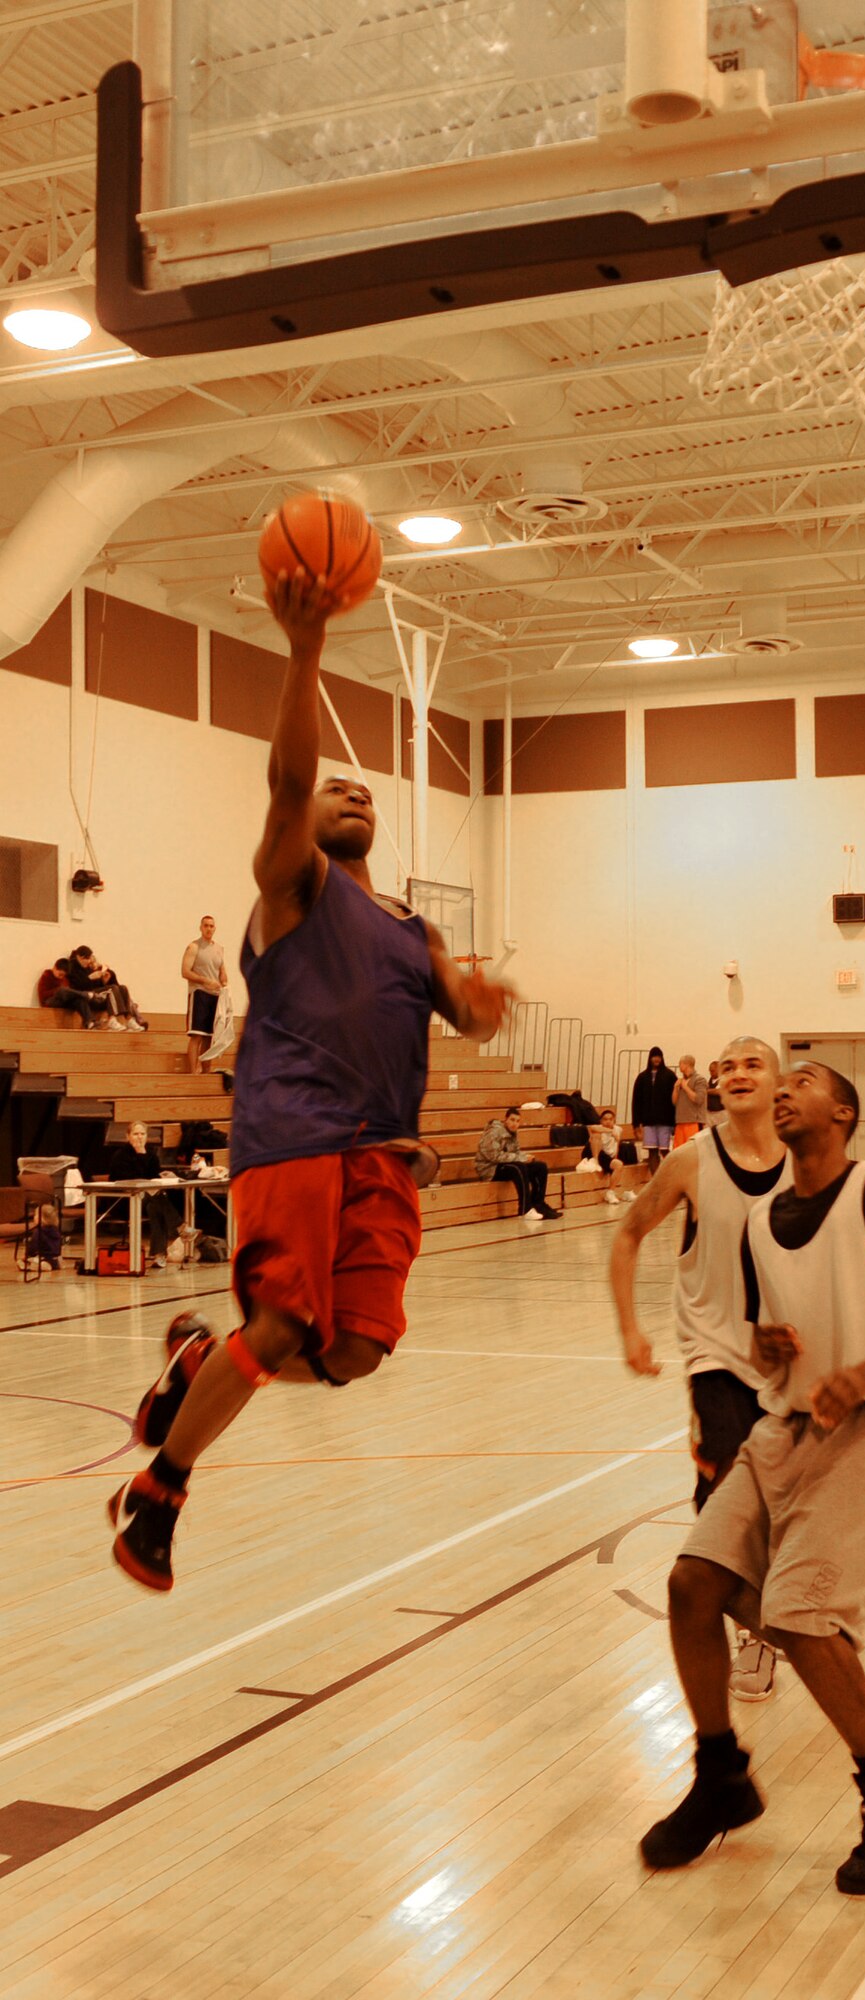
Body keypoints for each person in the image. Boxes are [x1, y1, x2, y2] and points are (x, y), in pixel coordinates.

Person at [108, 571, 510, 1593]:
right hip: (291, 1129)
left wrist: (480, 1004)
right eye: (338, 788)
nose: (351, 793)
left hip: (383, 1151)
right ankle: (160, 1490)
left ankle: (199, 1364)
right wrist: (304, 649)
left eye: (364, 791)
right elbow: (288, 784)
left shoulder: (416, 928)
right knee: (284, 1324)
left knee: (358, 1348)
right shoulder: (295, 885)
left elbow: (465, 1016)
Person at [640, 1062, 865, 1896]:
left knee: (798, 1614)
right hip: (785, 1424)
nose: (784, 1090)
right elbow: (763, 1342)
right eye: (778, 1081)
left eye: (805, 1081)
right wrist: (766, 1348)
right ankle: (720, 1773)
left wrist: (861, 1376)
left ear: (845, 1110)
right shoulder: (760, 1219)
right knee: (691, 1584)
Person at [612, 1037, 791, 1698]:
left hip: (791, 1362)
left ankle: (787, 1610)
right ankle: (755, 1633)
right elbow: (628, 1234)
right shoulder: (692, 1160)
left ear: (777, 1081)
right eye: (728, 1067)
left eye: (752, 1064)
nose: (738, 1074)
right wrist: (631, 1329)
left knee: (784, 1503)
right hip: (714, 1354)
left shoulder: (806, 1159)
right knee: (726, 1499)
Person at [102, 1118, 181, 1266]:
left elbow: (153, 1178)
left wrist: (164, 1176)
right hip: (123, 1200)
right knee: (157, 1199)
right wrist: (140, 1155)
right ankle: (181, 1228)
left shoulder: (151, 1155)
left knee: (155, 1206)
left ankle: (159, 1255)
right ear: (128, 1136)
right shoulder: (120, 1156)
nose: (139, 1137)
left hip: (146, 1199)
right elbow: (131, 1180)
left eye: (142, 1134)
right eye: (136, 1134)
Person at [475, 1106, 560, 1222]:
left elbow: (516, 1152)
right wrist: (521, 1158)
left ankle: (538, 1204)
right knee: (518, 1167)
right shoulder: (494, 1132)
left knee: (540, 1167)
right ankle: (525, 1209)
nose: (514, 1124)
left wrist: (526, 1157)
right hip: (489, 1169)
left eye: (517, 1121)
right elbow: (493, 1156)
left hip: (505, 1165)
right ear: (505, 1120)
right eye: (512, 1120)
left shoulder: (513, 1133)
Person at [181, 916, 229, 1073]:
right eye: (206, 925)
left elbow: (222, 971)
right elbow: (185, 971)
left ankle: (206, 1071)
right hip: (199, 993)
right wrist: (205, 981)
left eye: (211, 926)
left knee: (209, 1036)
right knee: (197, 1035)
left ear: (215, 928)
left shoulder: (219, 949)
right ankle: (194, 1072)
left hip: (215, 996)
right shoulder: (194, 947)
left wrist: (224, 981)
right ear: (201, 928)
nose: (209, 928)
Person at [68, 945, 145, 1029]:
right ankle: (111, 1019)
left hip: (96, 992)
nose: (89, 961)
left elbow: (98, 986)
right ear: (79, 957)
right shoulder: (72, 967)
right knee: (112, 989)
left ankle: (129, 1019)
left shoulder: (88, 967)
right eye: (87, 959)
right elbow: (78, 986)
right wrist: (90, 978)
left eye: (90, 959)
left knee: (123, 988)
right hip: (86, 996)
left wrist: (104, 981)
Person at [632, 1046, 676, 1169]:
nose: (656, 1059)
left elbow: (675, 1101)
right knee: (652, 1151)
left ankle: (672, 1175)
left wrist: (675, 1122)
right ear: (650, 1058)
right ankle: (655, 1179)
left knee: (665, 1151)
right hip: (648, 1122)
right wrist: (636, 1123)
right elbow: (636, 1101)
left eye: (659, 1056)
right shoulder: (642, 1077)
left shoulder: (670, 1076)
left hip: (665, 1122)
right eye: (654, 1056)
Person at [586, 1108, 635, 1205]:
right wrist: (610, 1131)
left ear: (614, 1120)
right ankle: (595, 1162)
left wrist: (615, 1157)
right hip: (596, 1153)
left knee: (620, 1163)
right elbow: (592, 1128)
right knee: (596, 1136)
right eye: (605, 1119)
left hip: (608, 1156)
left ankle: (614, 1192)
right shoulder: (598, 1128)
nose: (608, 1121)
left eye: (610, 1119)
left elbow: (616, 1146)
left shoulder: (618, 1129)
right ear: (601, 1121)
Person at [38, 958, 102, 1028]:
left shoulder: (64, 979)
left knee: (79, 999)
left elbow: (68, 992)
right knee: (62, 990)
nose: (61, 977)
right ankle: (85, 994)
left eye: (63, 975)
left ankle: (89, 1022)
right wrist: (57, 990)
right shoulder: (46, 975)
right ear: (55, 968)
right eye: (60, 974)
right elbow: (43, 995)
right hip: (49, 1001)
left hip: (63, 1001)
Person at [673, 1053, 709, 1148]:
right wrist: (675, 1088)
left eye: (680, 1063)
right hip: (680, 1121)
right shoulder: (681, 1081)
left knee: (692, 1150)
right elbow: (674, 1102)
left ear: (687, 1064)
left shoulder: (700, 1080)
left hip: (694, 1121)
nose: (679, 1065)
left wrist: (685, 1087)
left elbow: (698, 1099)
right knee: (678, 1151)